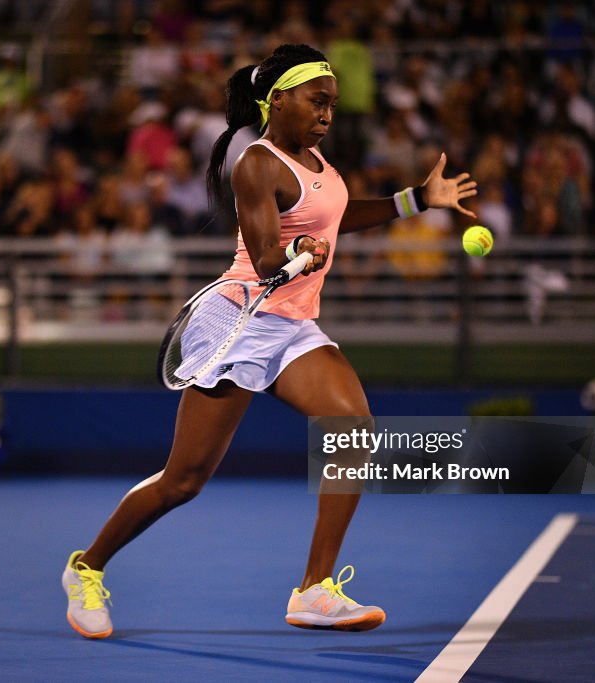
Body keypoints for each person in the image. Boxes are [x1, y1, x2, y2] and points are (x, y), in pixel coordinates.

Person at [61, 44, 477, 639]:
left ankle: (314, 590)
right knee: (183, 482)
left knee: (353, 426)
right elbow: (261, 255)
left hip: (295, 328)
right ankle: (86, 567)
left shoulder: (316, 161)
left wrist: (415, 200)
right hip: (239, 324)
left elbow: (333, 217)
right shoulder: (256, 164)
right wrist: (294, 255)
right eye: (317, 101)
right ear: (277, 99)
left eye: (332, 104)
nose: (328, 114)